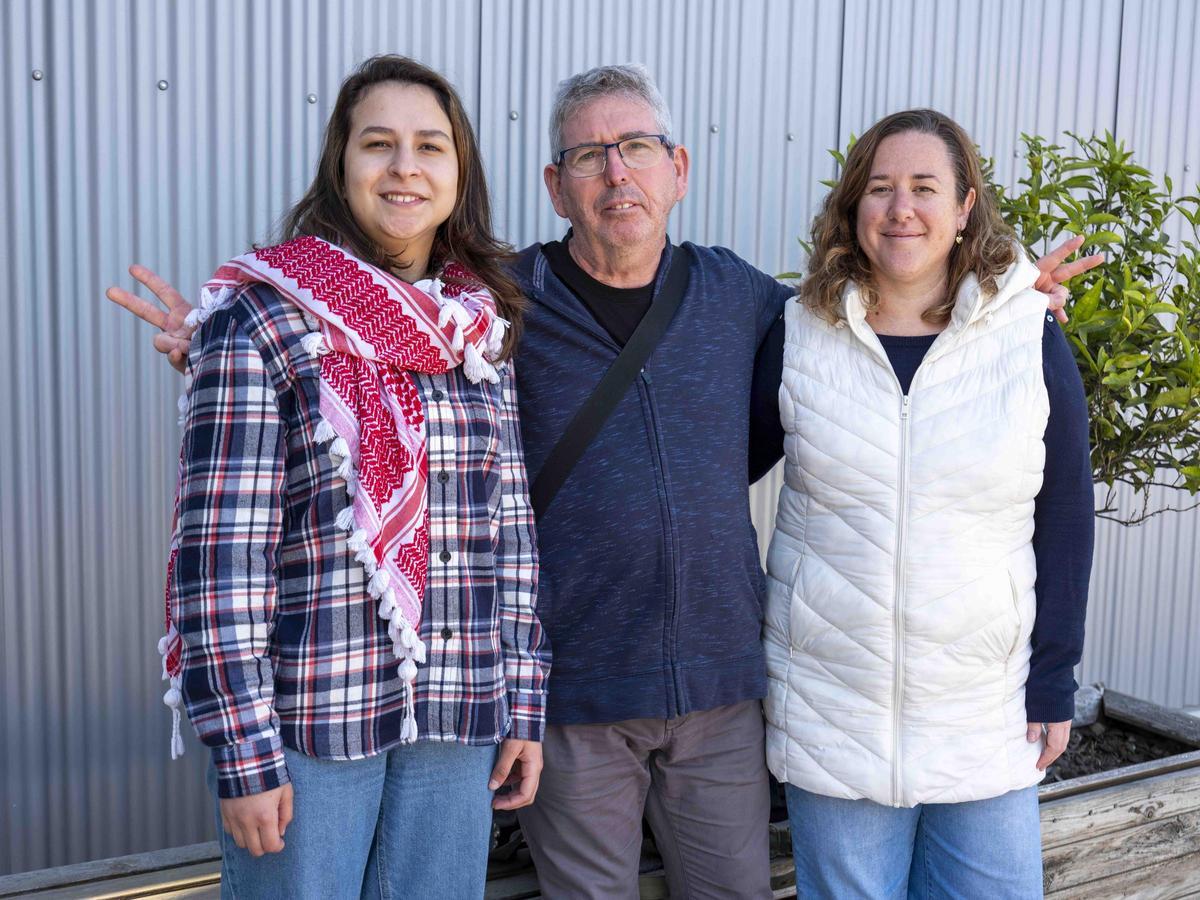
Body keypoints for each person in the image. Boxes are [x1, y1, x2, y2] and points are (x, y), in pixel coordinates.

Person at [110, 65, 1096, 899]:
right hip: (572, 693)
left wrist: (1001, 301)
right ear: (555, 184)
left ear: (679, 169)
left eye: (637, 149)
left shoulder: (748, 299)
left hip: (717, 688)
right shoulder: (494, 304)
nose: (616, 173)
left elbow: (876, 313)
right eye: (588, 155)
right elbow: (373, 339)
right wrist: (227, 342)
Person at [111, 55, 548, 899]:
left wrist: (522, 698)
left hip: (457, 720)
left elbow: (512, 534)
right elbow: (222, 559)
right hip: (311, 727)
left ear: (460, 170)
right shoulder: (262, 319)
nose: (405, 167)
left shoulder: (476, 329)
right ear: (341, 165)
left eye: (430, 146)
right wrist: (243, 750)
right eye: (378, 143)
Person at [762, 108, 1094, 897]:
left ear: (965, 207)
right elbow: (713, 469)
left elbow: (1066, 517)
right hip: (834, 718)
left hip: (986, 716)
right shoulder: (799, 333)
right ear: (854, 205)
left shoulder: (1027, 337)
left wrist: (1055, 678)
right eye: (880, 188)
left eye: (924, 187)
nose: (901, 209)